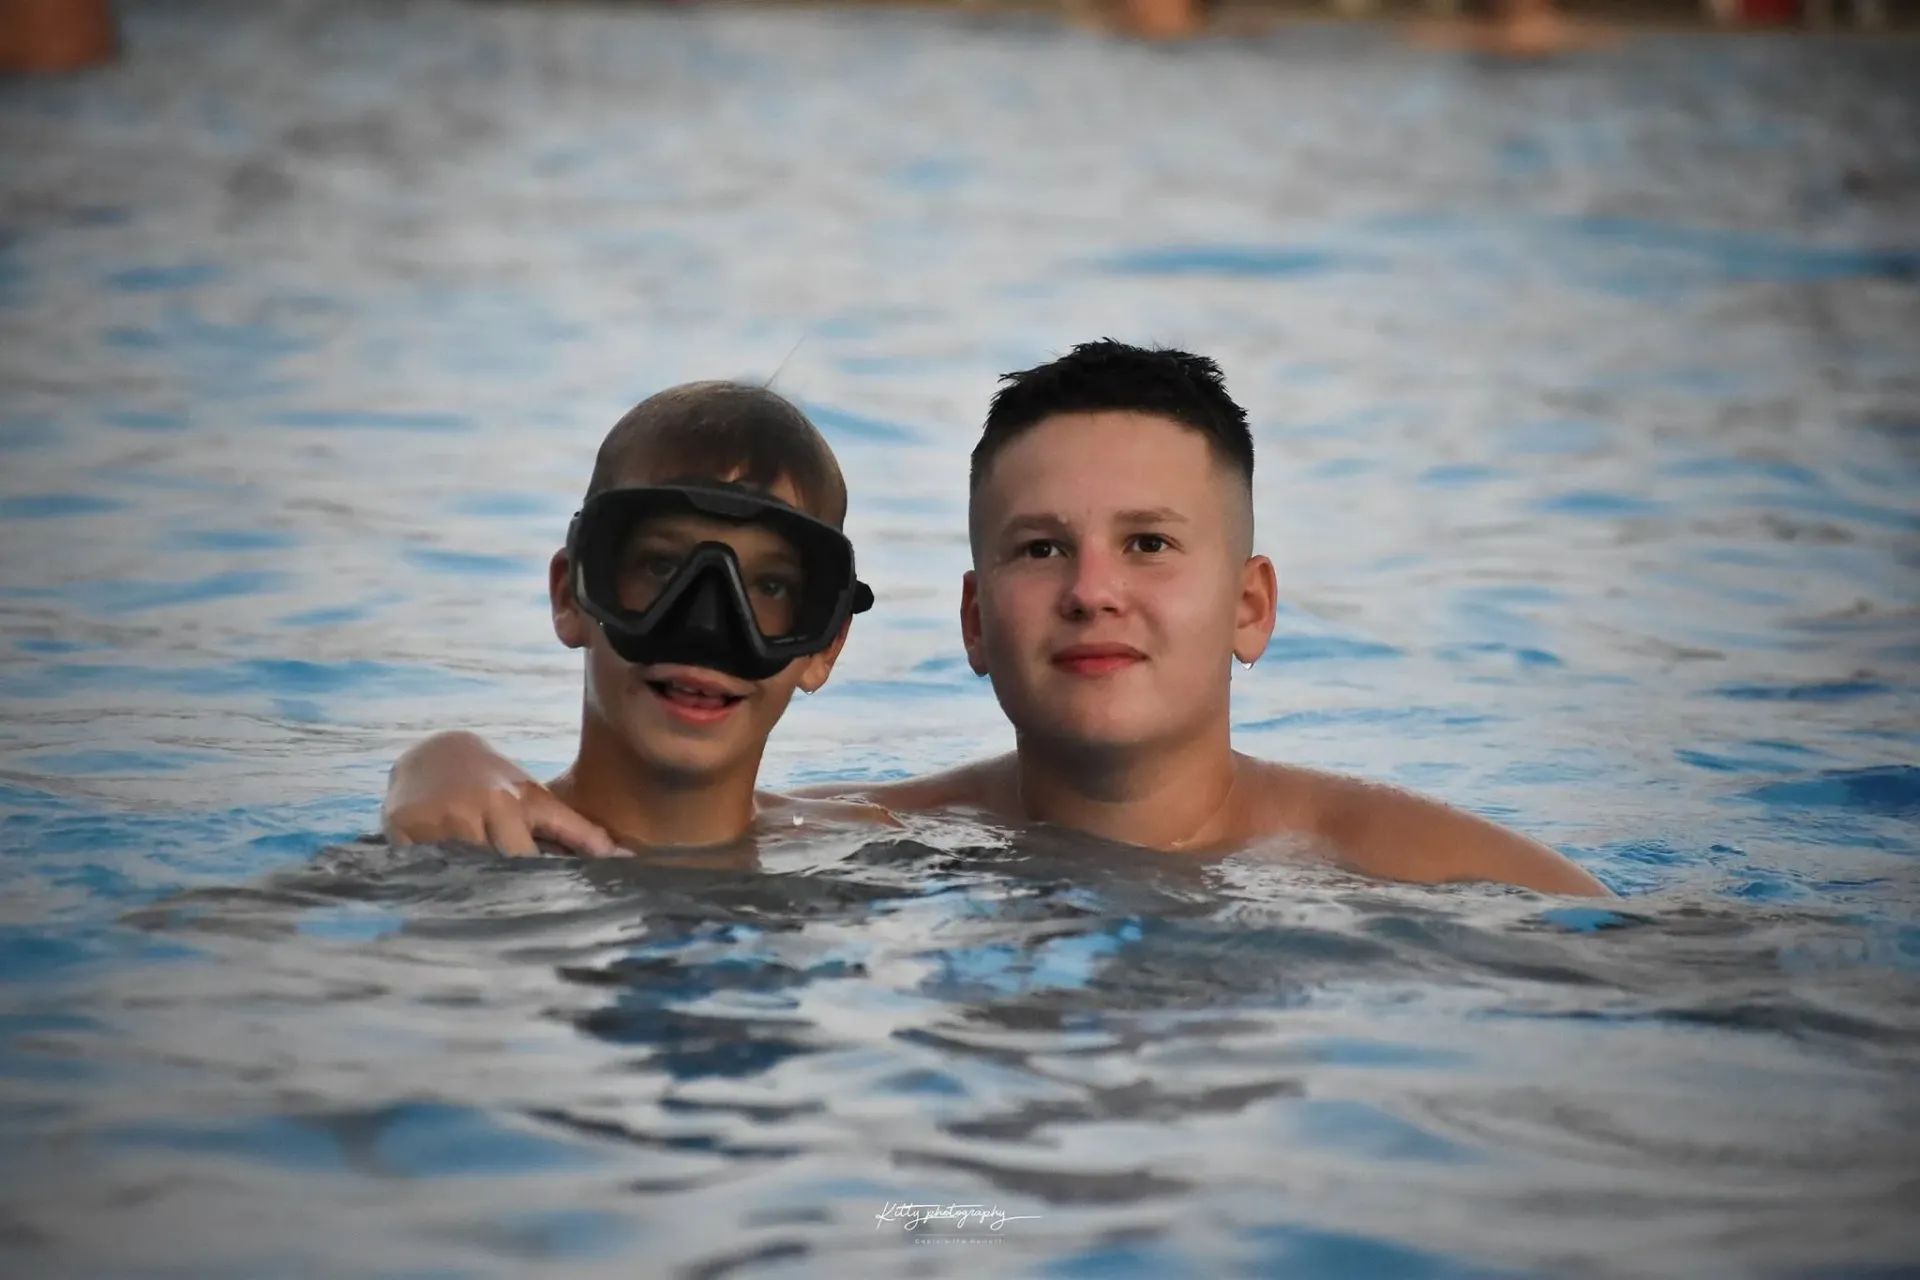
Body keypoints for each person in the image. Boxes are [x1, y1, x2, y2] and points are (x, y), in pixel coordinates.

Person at [388, 343, 1608, 897]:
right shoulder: (885, 842)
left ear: (1251, 605)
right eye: (1041, 547)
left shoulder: (1413, 869)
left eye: (1149, 542)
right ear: (974, 619)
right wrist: (440, 760)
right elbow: (672, 826)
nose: (1093, 589)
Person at [399, 380, 888, 860]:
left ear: (825, 644)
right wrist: (440, 757)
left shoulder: (860, 841)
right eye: (661, 567)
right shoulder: (468, 850)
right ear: (571, 596)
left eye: (770, 586)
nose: (705, 630)